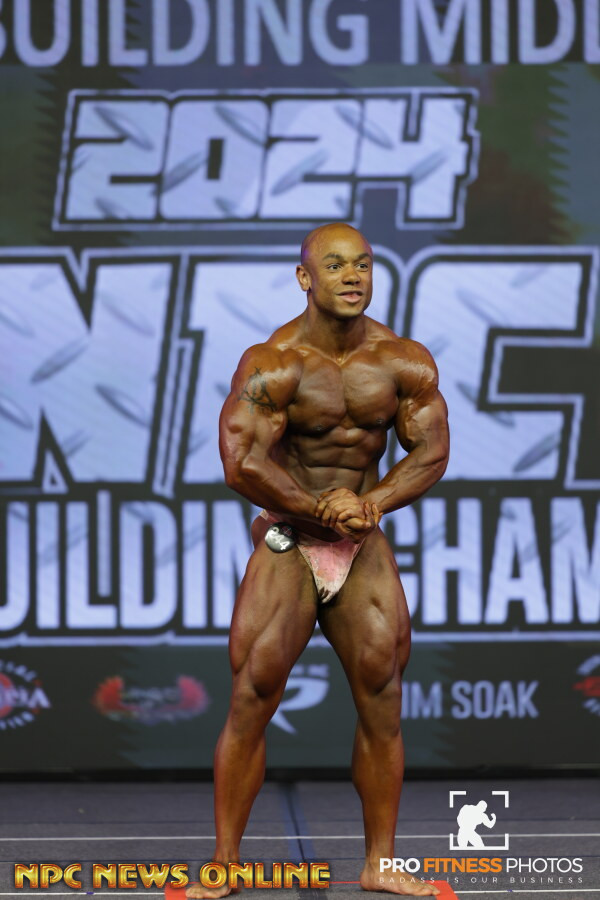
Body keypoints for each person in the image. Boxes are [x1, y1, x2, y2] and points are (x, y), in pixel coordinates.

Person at [188, 223, 449, 898]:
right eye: (334, 266)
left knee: (383, 694)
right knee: (253, 694)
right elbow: (241, 462)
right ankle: (225, 862)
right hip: (290, 538)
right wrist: (317, 508)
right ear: (305, 278)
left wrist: (373, 503)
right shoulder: (274, 363)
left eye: (362, 264)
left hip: (361, 541)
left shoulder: (402, 361)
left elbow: (431, 452)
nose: (353, 276)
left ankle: (380, 863)